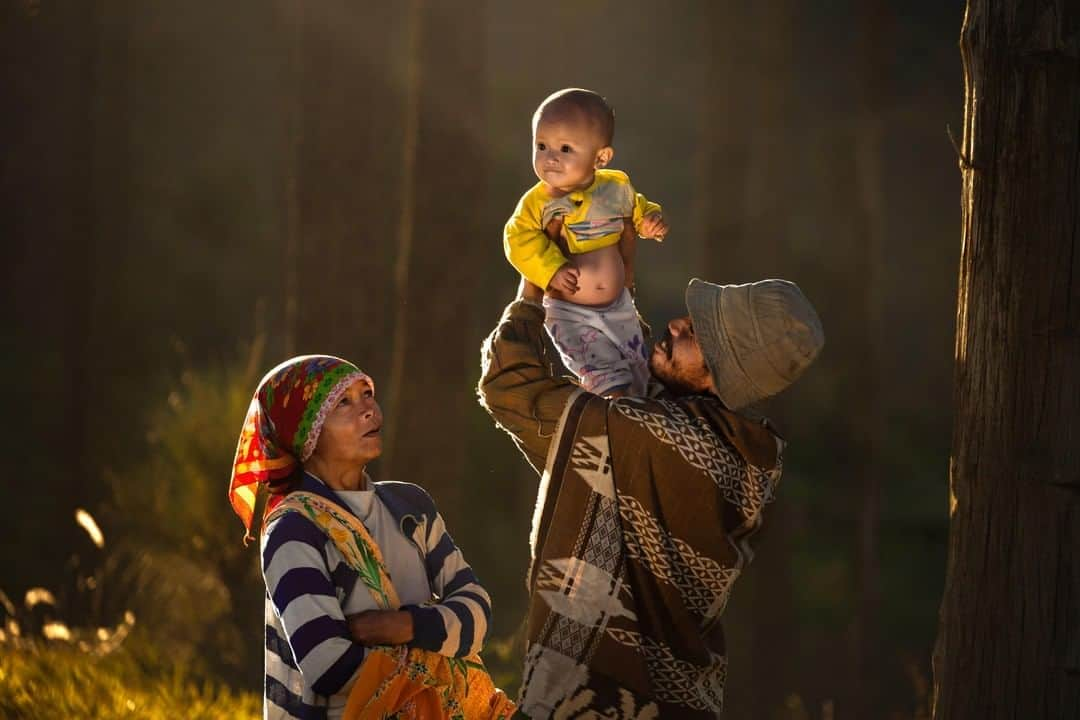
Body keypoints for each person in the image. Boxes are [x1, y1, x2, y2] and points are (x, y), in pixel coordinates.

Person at [477, 277, 824, 718]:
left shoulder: (643, 434)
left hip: (596, 701)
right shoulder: (755, 458)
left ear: (722, 371)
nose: (677, 325)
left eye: (697, 334)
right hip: (686, 703)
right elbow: (637, 379)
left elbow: (509, 389)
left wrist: (528, 294)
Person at [228, 355, 514, 720]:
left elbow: (478, 614)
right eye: (343, 403)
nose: (368, 410)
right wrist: (440, 636)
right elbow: (330, 665)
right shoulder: (293, 531)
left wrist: (400, 626)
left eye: (366, 393)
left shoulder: (410, 505)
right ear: (303, 431)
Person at [503, 88, 669, 397]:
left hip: (620, 307)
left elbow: (637, 208)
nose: (549, 157)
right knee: (607, 378)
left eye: (565, 148)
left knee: (641, 372)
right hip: (571, 313)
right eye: (541, 146)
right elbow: (517, 238)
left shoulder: (615, 187)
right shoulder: (537, 202)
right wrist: (550, 268)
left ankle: (643, 419)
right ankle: (615, 415)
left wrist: (649, 221)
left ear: (601, 157)